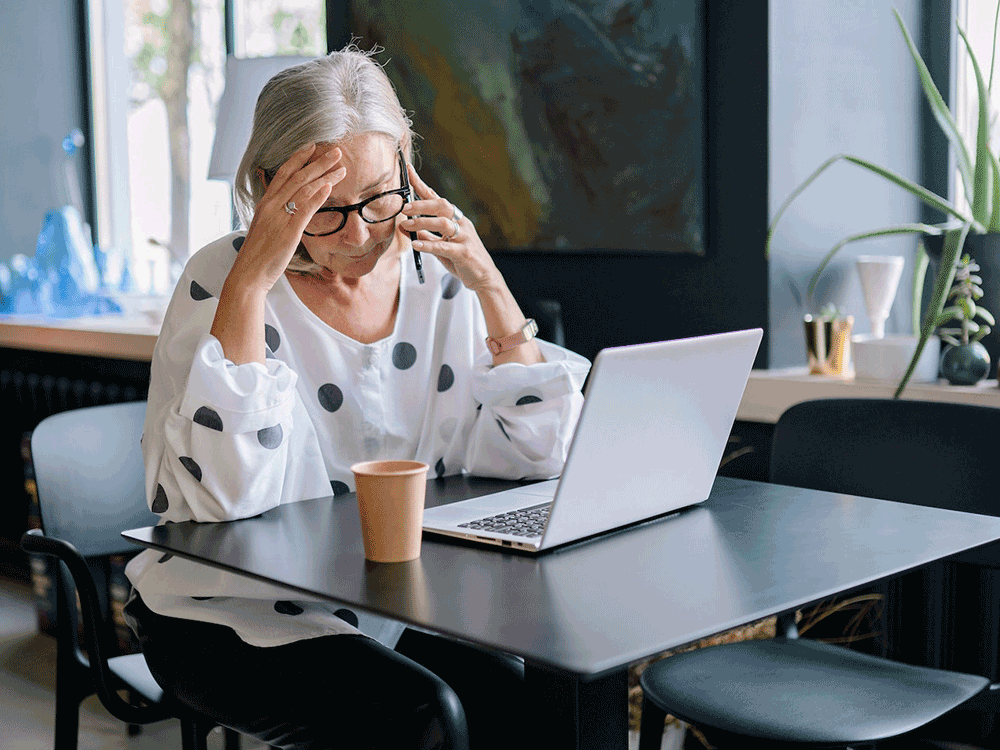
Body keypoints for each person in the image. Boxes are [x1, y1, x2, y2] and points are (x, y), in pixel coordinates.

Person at [123, 45, 591, 750]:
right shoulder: (221, 278)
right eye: (326, 209)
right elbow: (223, 504)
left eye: (380, 197)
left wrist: (489, 283)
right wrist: (250, 283)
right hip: (219, 608)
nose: (362, 234)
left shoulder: (434, 274)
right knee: (416, 716)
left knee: (525, 701)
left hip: (385, 603)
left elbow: (538, 455)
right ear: (267, 184)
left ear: (408, 165)